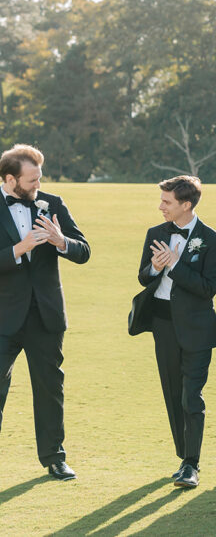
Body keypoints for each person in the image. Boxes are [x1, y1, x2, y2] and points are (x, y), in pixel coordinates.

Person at [0, 144, 90, 481]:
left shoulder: (53, 204)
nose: (39, 184)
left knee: (50, 388)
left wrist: (60, 241)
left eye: (39, 178)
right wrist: (18, 249)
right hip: (3, 317)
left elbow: (84, 251)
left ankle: (54, 458)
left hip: (46, 316)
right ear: (10, 179)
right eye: (32, 180)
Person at [130, 175, 216, 488]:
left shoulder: (213, 241)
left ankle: (191, 464)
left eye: (166, 202)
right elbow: (144, 277)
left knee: (190, 396)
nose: (161, 207)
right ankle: (184, 456)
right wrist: (155, 268)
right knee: (172, 393)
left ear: (186, 205)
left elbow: (208, 288)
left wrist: (174, 264)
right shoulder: (155, 233)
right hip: (163, 325)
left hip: (197, 329)